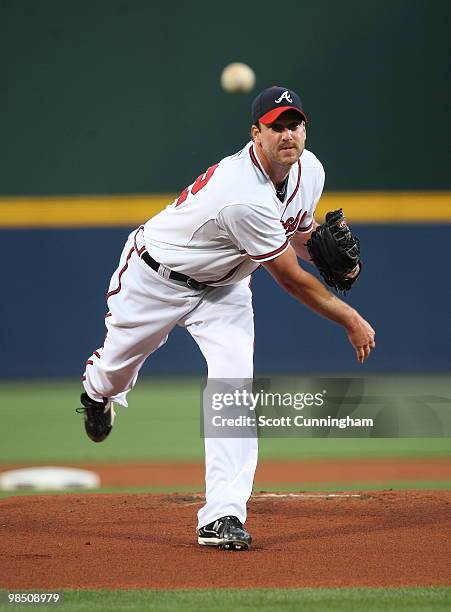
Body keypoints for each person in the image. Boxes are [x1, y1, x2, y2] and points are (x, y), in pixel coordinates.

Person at [77, 86, 375, 551]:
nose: (287, 133)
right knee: (116, 367)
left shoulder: (310, 171)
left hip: (226, 290)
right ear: (255, 133)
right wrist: (349, 318)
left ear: (305, 129)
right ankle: (97, 392)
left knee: (233, 388)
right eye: (275, 126)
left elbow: (297, 232)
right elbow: (290, 279)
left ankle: (222, 515)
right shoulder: (241, 193)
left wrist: (326, 252)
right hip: (155, 279)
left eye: (294, 124)